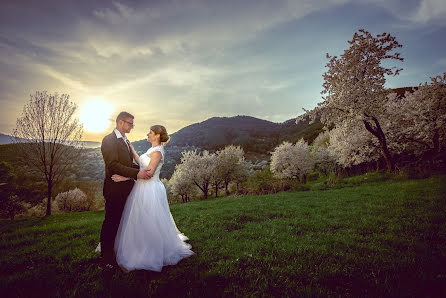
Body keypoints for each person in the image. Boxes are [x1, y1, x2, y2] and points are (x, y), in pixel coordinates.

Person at [111, 125, 194, 272]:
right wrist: (131, 148)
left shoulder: (158, 153)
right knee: (140, 219)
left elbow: (148, 173)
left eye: (150, 132)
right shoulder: (151, 150)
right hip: (141, 188)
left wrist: (124, 177)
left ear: (157, 135)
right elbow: (139, 161)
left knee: (151, 219)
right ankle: (140, 244)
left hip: (151, 189)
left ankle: (152, 249)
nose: (147, 134)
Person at [99, 112, 152, 271]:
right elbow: (113, 165)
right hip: (114, 189)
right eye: (130, 123)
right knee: (111, 223)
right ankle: (106, 260)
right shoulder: (109, 140)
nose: (132, 126)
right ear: (121, 122)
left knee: (123, 223)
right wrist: (137, 174)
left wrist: (143, 170)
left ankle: (119, 252)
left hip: (127, 188)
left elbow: (126, 164)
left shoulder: (125, 140)